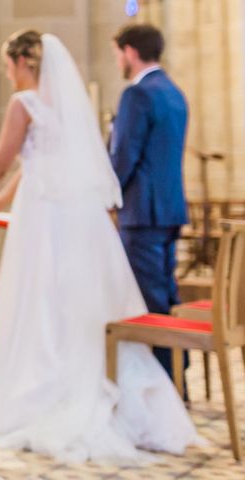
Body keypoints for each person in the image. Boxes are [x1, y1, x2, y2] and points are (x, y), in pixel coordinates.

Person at [0, 30, 203, 464]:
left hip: (47, 221)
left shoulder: (24, 104)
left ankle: (55, 390)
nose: (7, 74)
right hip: (79, 219)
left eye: (8, 65)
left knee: (47, 302)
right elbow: (33, 166)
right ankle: (160, 388)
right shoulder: (68, 110)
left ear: (23, 62)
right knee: (87, 304)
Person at [111, 24, 189, 382]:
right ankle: (177, 374)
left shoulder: (137, 95)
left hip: (142, 215)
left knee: (149, 301)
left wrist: (105, 196)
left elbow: (124, 156)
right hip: (170, 211)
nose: (117, 62)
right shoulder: (175, 93)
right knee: (167, 295)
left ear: (130, 51)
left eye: (117, 54)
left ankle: (165, 385)